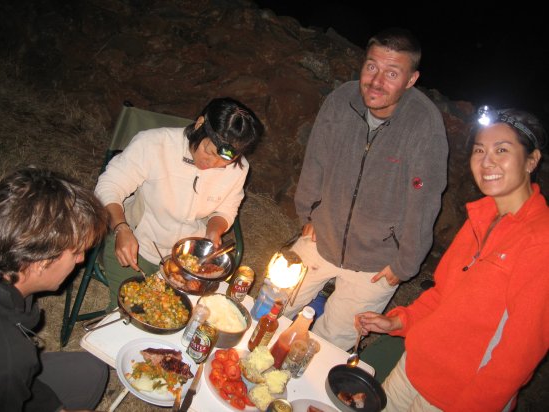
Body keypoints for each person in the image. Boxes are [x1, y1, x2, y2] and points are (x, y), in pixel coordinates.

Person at [356, 108, 549, 411]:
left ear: (532, 160)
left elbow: (517, 357)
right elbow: (443, 294)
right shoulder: (480, 217)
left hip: (457, 397)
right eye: (479, 151)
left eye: (502, 150)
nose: (487, 162)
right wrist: (398, 320)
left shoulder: (541, 241)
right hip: (413, 368)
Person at [283, 27, 448, 350]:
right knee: (275, 302)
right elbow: (315, 157)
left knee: (329, 345)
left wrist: (405, 263)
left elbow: (425, 199)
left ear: (411, 80)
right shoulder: (342, 100)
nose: (376, 81)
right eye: (371, 66)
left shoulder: (424, 125)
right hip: (321, 235)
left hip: (376, 261)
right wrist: (309, 211)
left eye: (391, 73)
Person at [95, 97, 264, 306]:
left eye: (223, 163)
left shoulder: (238, 168)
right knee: (133, 308)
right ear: (200, 124)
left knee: (189, 313)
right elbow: (109, 186)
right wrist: (121, 229)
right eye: (209, 152)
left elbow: (227, 209)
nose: (211, 164)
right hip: (137, 244)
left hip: (187, 260)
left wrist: (213, 231)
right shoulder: (155, 144)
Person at [0, 167, 109, 411]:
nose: (81, 260)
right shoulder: (10, 356)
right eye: (76, 252)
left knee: (92, 370)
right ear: (40, 263)